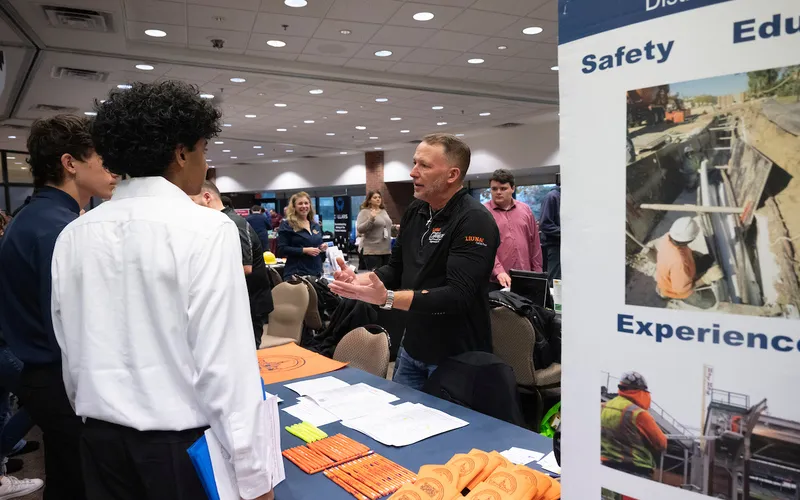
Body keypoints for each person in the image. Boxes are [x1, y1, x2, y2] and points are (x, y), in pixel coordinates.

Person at [49, 81, 276, 500]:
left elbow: (70, 347)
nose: (205, 164)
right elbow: (224, 363)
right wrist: (254, 474)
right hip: (179, 450)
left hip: (99, 442)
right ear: (181, 152)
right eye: (204, 150)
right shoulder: (207, 228)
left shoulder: (73, 235)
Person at [0, 114, 117, 500]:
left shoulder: (31, 218)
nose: (112, 170)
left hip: (42, 374)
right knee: (81, 482)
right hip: (60, 379)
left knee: (67, 478)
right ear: (70, 163)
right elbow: (73, 322)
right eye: (101, 159)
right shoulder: (60, 228)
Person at [329, 134, 499, 390]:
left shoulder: (474, 220)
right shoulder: (416, 210)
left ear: (452, 175)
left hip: (456, 354)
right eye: (414, 163)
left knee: (446, 428)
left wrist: (386, 298)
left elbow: (458, 295)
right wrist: (359, 281)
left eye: (424, 165)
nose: (412, 172)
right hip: (413, 346)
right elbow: (396, 269)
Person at [193, 181, 274, 348]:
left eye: (193, 202)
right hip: (236, 301)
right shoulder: (219, 222)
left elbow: (245, 268)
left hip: (251, 301)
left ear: (207, 197)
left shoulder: (233, 223)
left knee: (248, 352)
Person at [600, 372, 667, 479]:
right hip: (635, 470)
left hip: (606, 465)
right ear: (641, 392)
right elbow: (661, 443)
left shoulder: (603, 407)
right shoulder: (639, 414)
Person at [484, 169, 543, 290]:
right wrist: (498, 270)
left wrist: (537, 274)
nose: (498, 192)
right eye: (494, 189)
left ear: (513, 188)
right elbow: (484, 246)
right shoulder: (483, 213)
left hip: (524, 278)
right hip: (496, 281)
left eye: (503, 188)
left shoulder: (525, 210)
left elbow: (535, 244)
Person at [656, 217, 721, 309]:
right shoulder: (679, 262)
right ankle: (667, 294)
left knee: (704, 259)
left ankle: (663, 289)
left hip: (670, 276)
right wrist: (705, 279)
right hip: (675, 289)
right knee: (709, 302)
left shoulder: (668, 238)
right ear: (690, 239)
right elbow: (682, 290)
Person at [277, 192, 327, 280]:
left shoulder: (315, 225)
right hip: (296, 274)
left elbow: (316, 245)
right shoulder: (287, 225)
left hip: (316, 272)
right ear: (294, 207)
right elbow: (282, 249)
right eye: (300, 203)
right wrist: (304, 250)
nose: (304, 206)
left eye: (306, 203)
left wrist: (321, 248)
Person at [356, 191, 393, 270]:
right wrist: (371, 219)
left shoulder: (383, 211)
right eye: (375, 197)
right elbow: (360, 229)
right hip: (372, 251)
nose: (378, 199)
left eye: (379, 197)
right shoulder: (365, 212)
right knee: (376, 277)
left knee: (386, 277)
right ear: (369, 200)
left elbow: (385, 226)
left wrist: (395, 228)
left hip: (386, 250)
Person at [540, 175, 561, 281]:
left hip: (566, 246)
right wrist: (567, 233)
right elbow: (545, 225)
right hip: (554, 247)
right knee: (555, 282)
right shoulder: (552, 196)